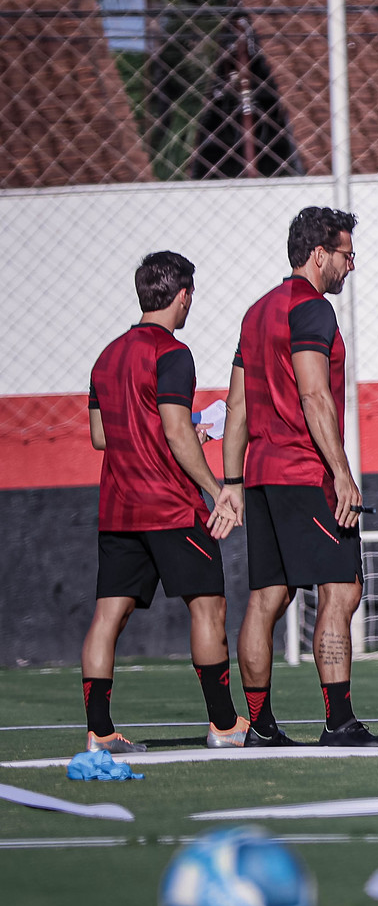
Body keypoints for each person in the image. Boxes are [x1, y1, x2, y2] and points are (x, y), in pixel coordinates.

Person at [223, 206, 378, 747]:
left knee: (266, 598)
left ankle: (260, 726)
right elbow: (314, 394)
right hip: (306, 472)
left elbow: (236, 407)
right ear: (320, 255)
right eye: (347, 254)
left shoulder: (255, 314)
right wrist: (342, 474)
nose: (352, 264)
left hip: (261, 473)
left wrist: (231, 481)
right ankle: (339, 723)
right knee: (342, 589)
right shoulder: (313, 310)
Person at [81, 252, 245, 753]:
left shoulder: (106, 356)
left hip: (119, 507)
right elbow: (174, 431)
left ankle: (100, 731)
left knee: (108, 617)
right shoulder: (174, 353)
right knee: (208, 607)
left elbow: (100, 436)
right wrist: (219, 490)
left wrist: (175, 429)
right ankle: (223, 725)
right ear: (183, 296)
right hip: (172, 506)